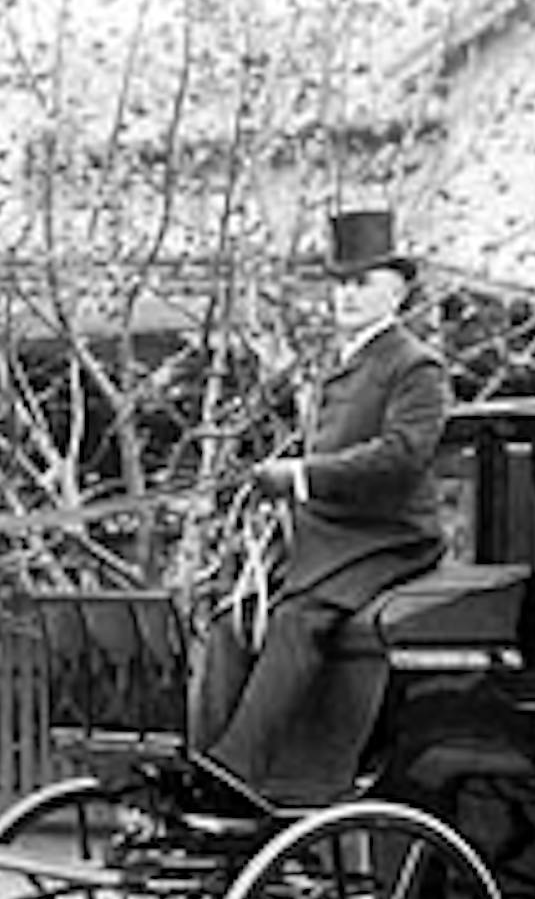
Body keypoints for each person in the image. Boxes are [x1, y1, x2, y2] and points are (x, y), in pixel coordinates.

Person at [190, 208, 449, 806]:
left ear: (397, 291)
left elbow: (402, 457)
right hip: (328, 533)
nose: (347, 295)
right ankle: (206, 765)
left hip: (388, 538)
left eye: (362, 283)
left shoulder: (414, 365)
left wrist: (301, 477)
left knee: (297, 620)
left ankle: (241, 774)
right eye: (340, 284)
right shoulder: (344, 365)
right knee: (234, 621)